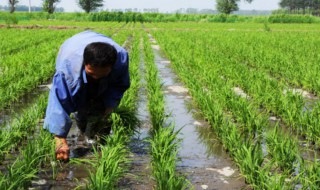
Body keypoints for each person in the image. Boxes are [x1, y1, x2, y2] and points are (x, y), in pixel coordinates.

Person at [44, 30, 130, 161]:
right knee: (80, 104)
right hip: (71, 47)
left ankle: (98, 134)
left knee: (101, 106)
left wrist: (110, 104)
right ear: (85, 64)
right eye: (91, 73)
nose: (95, 77)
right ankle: (83, 128)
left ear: (112, 67)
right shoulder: (67, 70)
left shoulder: (121, 59)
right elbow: (59, 103)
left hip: (99, 47)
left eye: (101, 74)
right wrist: (60, 139)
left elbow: (119, 84)